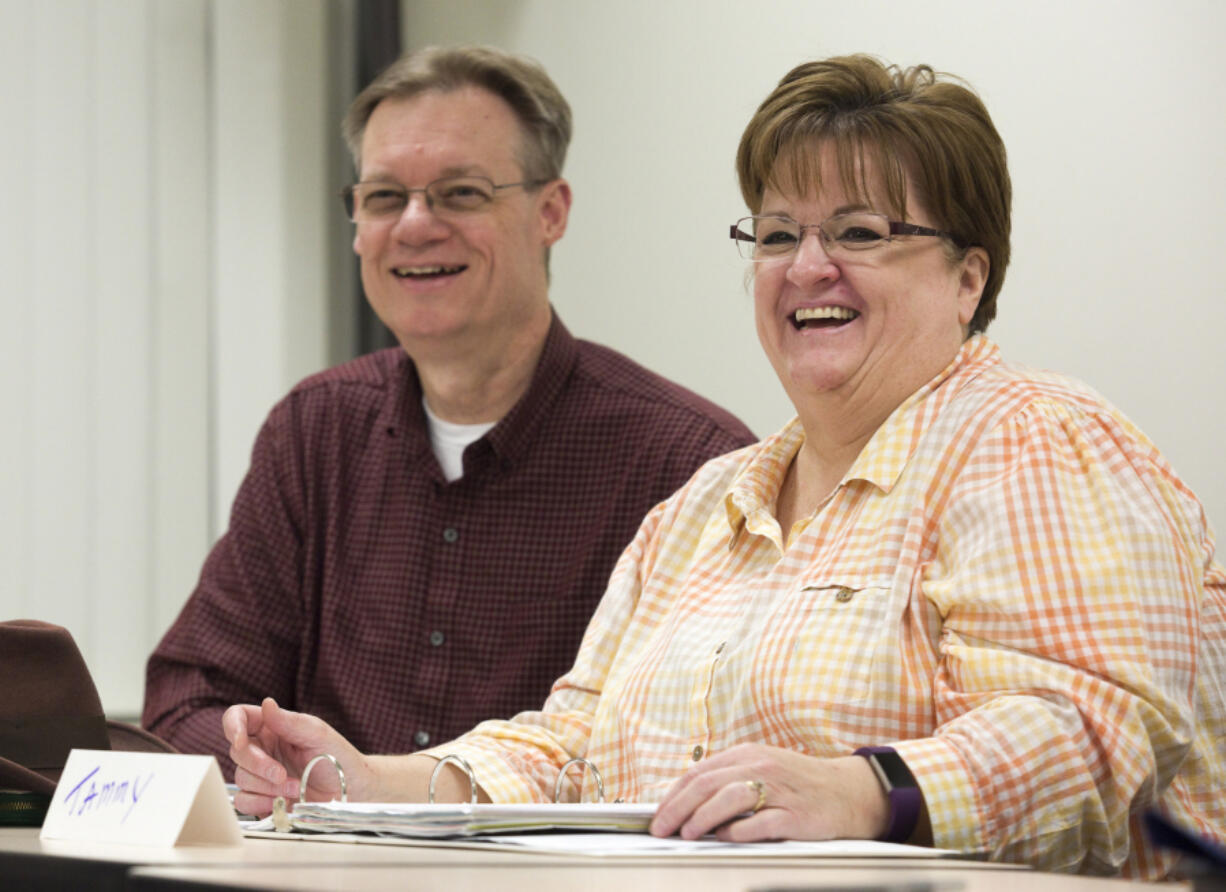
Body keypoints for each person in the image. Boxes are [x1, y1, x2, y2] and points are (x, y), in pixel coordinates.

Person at [221, 55, 1226, 878]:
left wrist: (864, 790)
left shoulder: (1037, 441)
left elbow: (1099, 740)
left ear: (967, 276)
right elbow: (573, 748)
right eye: (777, 233)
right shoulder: (704, 504)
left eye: (860, 233)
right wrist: (371, 781)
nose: (804, 266)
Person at [142, 45, 755, 778]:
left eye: (460, 193)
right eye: (382, 197)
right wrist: (250, 755)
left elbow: (701, 749)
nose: (414, 225)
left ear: (550, 212)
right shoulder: (313, 432)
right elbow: (188, 698)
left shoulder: (691, 463)